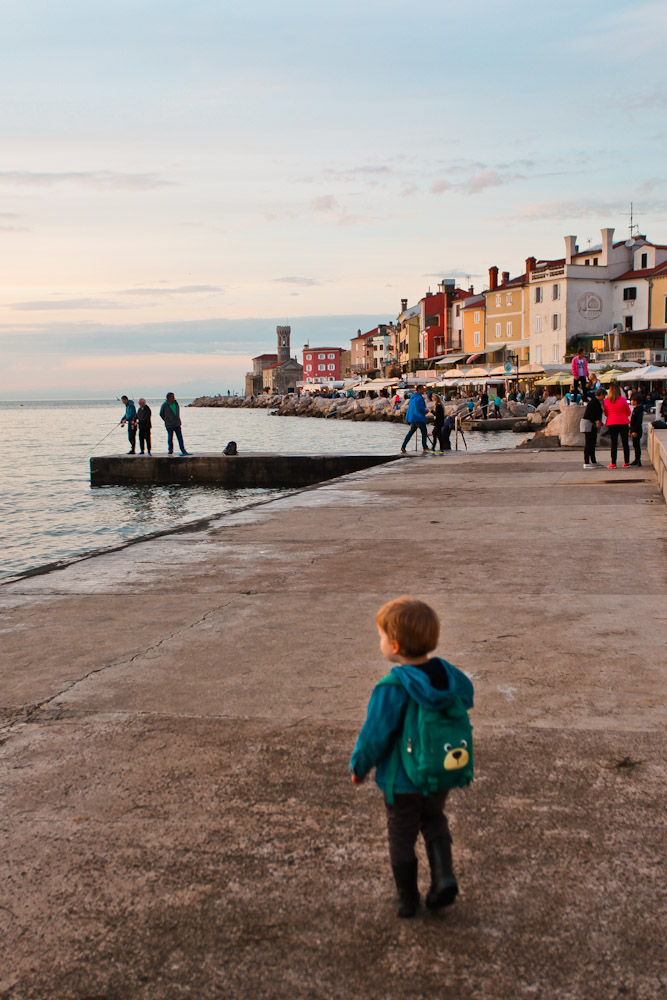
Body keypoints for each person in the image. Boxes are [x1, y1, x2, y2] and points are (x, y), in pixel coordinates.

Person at [350, 596, 474, 918]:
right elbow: (466, 696)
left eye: (380, 636)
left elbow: (374, 736)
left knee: (401, 833)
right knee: (434, 819)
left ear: (394, 645)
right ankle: (443, 877)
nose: (379, 642)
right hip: (441, 770)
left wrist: (359, 767)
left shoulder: (392, 687)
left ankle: (407, 899)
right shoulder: (447, 675)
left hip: (403, 780)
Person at [603, 382, 631, 469]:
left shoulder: (606, 401)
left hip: (612, 423)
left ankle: (613, 463)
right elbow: (628, 412)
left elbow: (606, 413)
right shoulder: (623, 400)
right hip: (623, 422)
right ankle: (626, 462)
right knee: (625, 443)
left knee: (614, 443)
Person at [581, 388, 606, 469]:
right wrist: (596, 421)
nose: (604, 397)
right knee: (589, 443)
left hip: (592, 424)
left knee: (592, 443)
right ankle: (586, 462)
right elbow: (591, 414)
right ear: (600, 394)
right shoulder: (594, 402)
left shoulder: (595, 401)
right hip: (589, 424)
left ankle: (593, 460)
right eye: (603, 395)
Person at [400, 385, 428, 452]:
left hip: (412, 418)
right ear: (419, 389)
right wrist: (426, 411)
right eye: (422, 389)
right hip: (418, 417)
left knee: (411, 432)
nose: (423, 391)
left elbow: (410, 408)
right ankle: (425, 447)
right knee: (424, 431)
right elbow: (420, 408)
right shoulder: (419, 398)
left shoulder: (412, 397)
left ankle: (403, 446)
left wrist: (407, 418)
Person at [630, 393, 644, 467]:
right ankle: (636, 459)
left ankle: (638, 459)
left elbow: (638, 421)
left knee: (636, 445)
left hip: (637, 430)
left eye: (632, 400)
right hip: (635, 429)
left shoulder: (638, 410)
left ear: (636, 401)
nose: (631, 401)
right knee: (635, 445)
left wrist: (634, 431)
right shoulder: (636, 409)